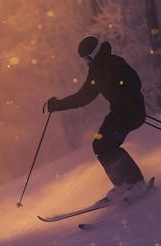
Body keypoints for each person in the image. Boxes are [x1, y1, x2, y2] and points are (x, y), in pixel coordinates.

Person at [46, 35, 148, 202]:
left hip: (132, 112)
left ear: (93, 54)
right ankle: (121, 183)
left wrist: (128, 99)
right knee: (99, 145)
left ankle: (137, 183)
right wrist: (58, 105)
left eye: (86, 58)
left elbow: (135, 82)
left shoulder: (116, 63)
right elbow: (83, 97)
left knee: (110, 145)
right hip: (117, 113)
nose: (85, 61)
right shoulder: (95, 72)